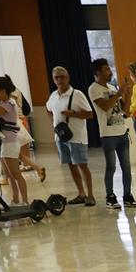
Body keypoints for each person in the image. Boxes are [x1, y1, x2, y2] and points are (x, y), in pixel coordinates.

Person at [89, 59, 136, 209]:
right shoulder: (94, 89)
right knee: (111, 166)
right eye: (106, 69)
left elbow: (125, 110)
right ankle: (110, 196)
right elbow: (105, 106)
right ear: (98, 72)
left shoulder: (111, 87)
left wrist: (127, 96)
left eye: (109, 69)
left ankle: (128, 195)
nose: (110, 71)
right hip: (108, 134)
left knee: (127, 167)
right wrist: (118, 93)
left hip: (122, 131)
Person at [44, 65, 96, 206]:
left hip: (77, 137)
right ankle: (81, 193)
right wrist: (56, 124)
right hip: (61, 137)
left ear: (68, 78)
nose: (59, 80)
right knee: (71, 165)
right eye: (56, 77)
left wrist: (73, 114)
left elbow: (90, 114)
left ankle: (90, 194)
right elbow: (48, 109)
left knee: (82, 165)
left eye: (62, 77)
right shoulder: (53, 96)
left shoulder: (77, 94)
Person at [0, 75, 29, 210]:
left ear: (3, 90)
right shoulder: (3, 103)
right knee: (9, 175)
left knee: (16, 173)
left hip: (10, 143)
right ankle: (15, 199)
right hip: (4, 142)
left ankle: (25, 201)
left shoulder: (8, 103)